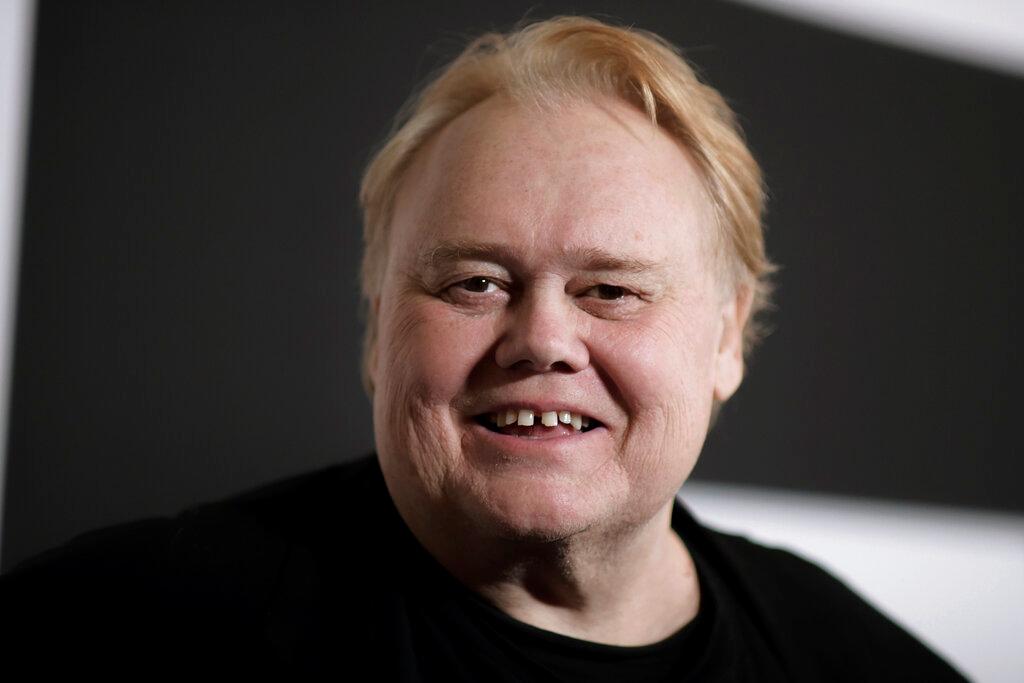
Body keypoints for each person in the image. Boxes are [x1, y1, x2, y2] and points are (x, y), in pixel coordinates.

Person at [1, 16, 964, 681]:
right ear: (380, 327)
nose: (543, 337)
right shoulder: (133, 624)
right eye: (475, 283)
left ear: (724, 337)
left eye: (612, 290)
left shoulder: (849, 655)